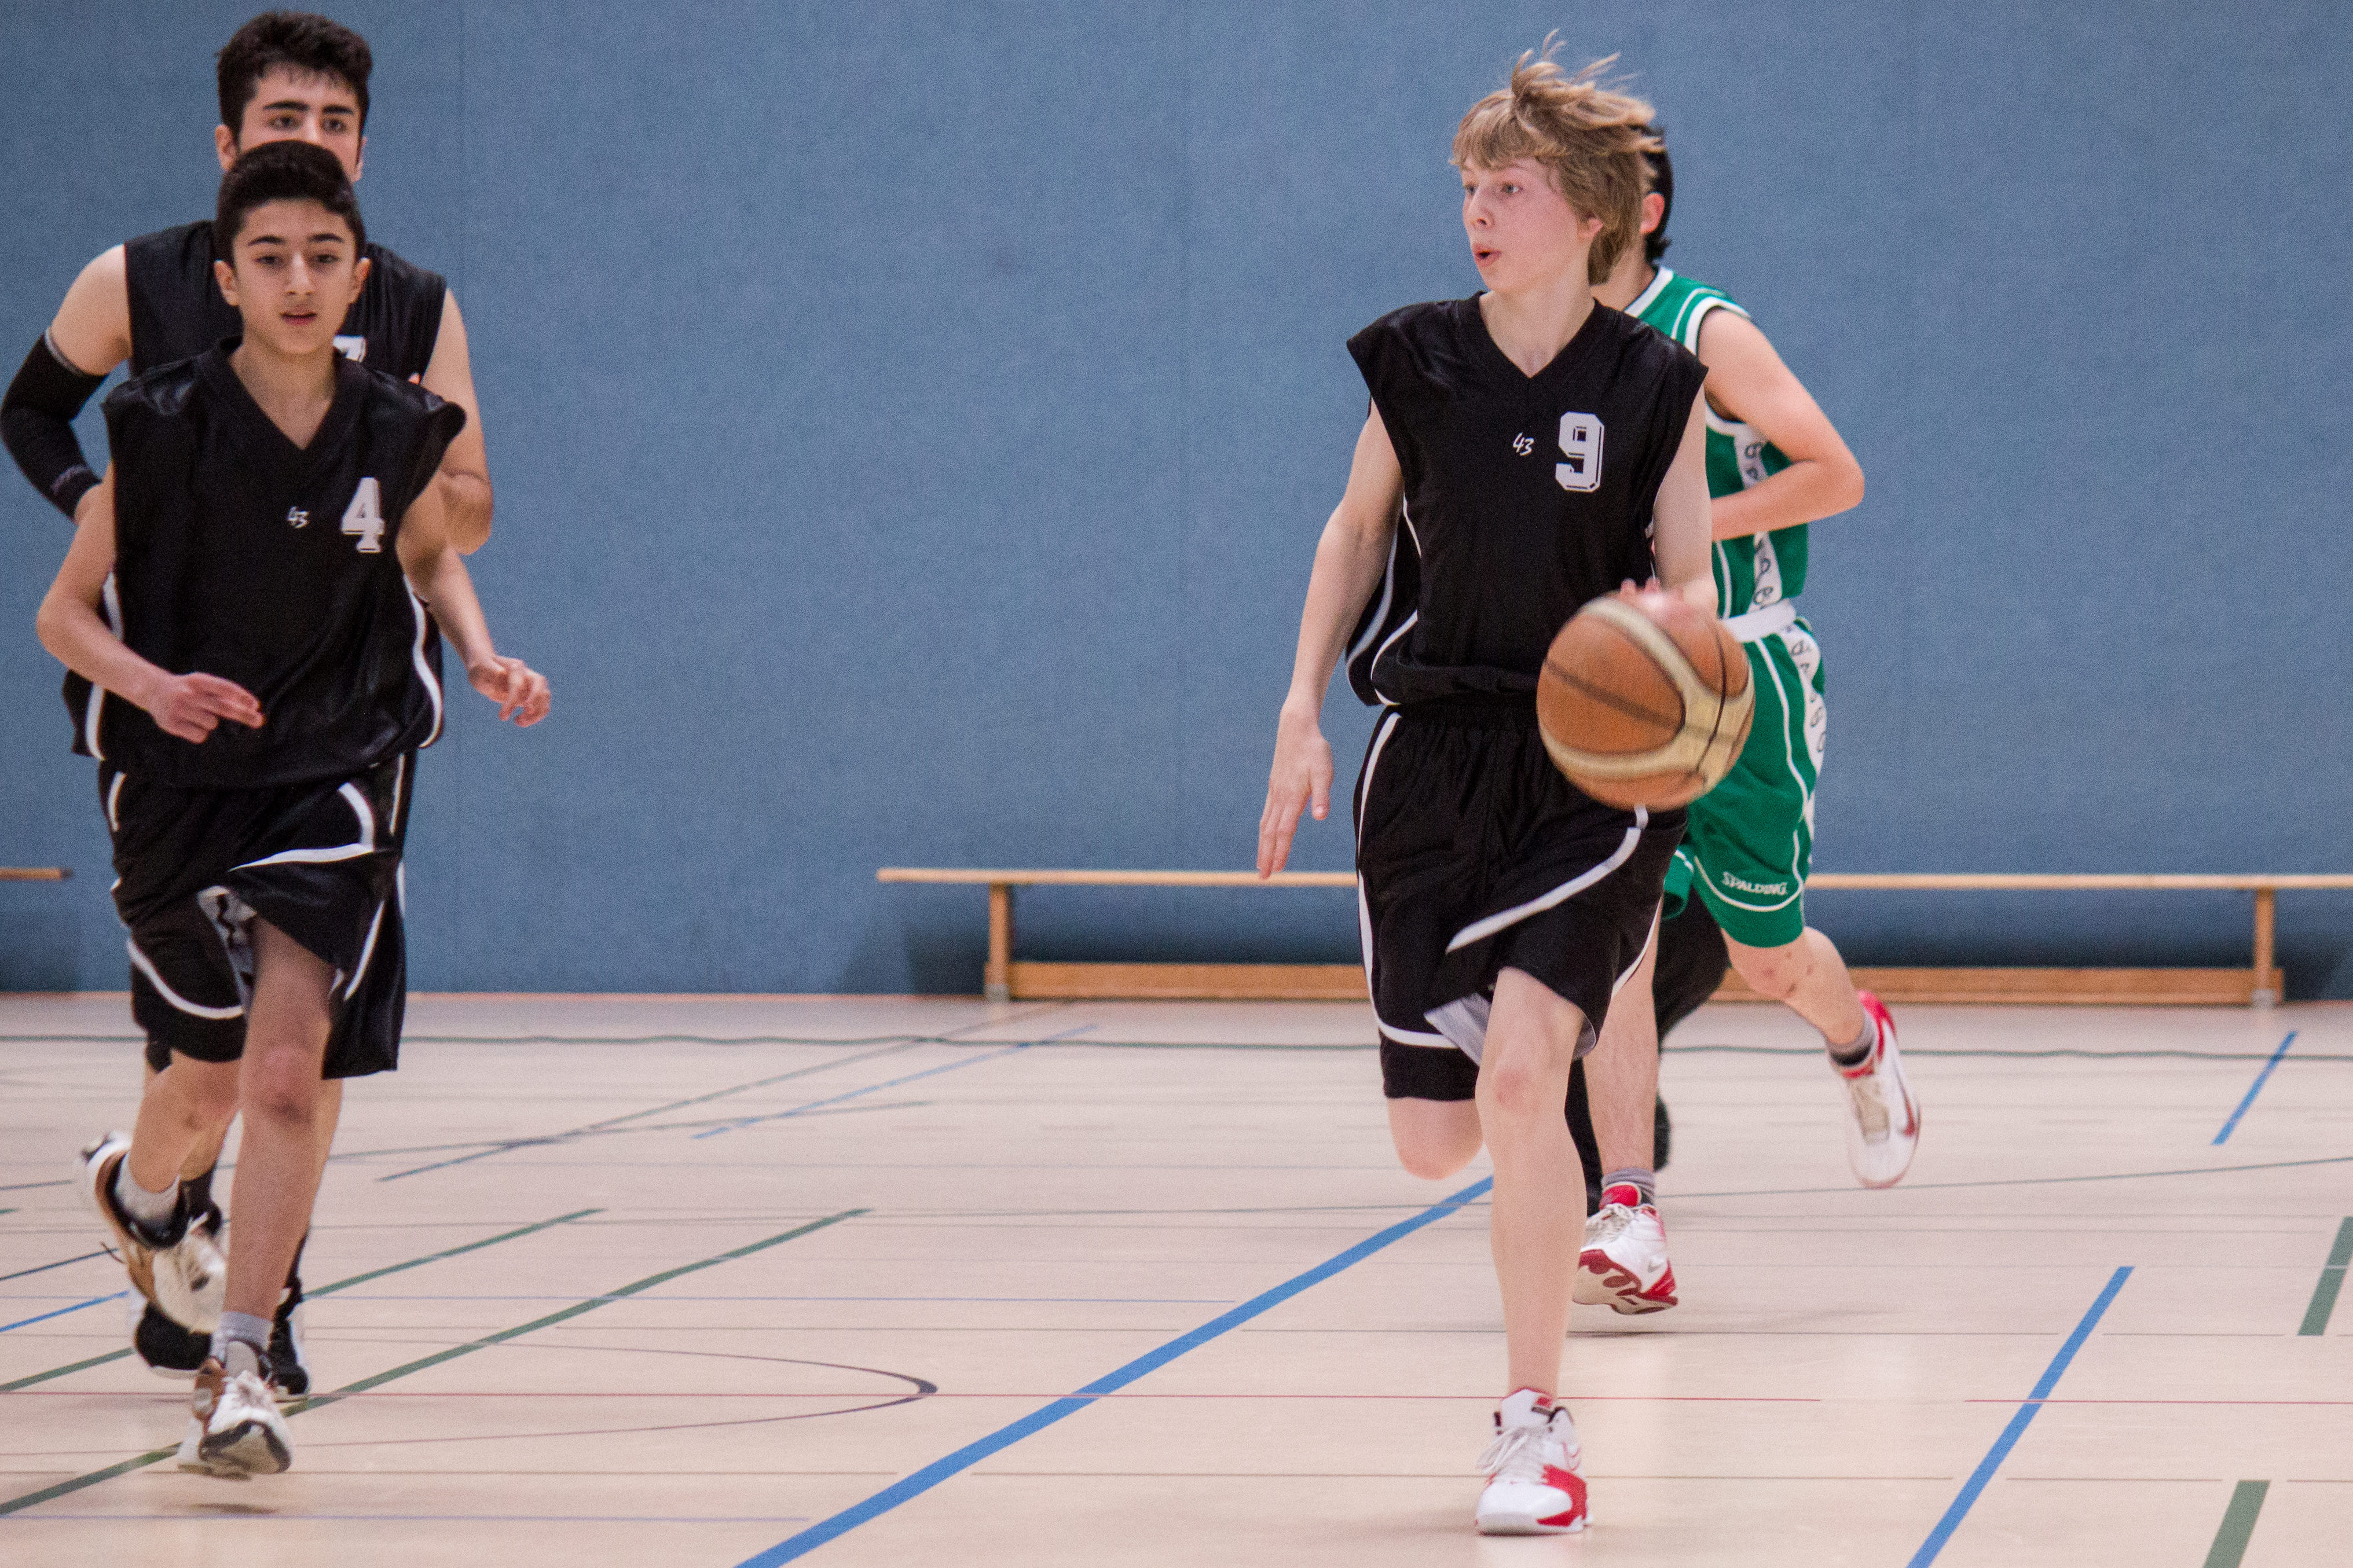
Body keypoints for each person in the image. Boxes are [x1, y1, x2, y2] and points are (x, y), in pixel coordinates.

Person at [0, 10, 495, 1389]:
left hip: (344, 709)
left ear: (364, 151)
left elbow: (466, 511)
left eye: (337, 125)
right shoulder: (140, 282)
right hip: (178, 711)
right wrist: (101, 508)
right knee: (196, 1053)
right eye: (287, 122)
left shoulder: (405, 304)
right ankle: (158, 1209)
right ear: (228, 144)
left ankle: (260, 1315)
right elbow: (28, 410)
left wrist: (404, 462)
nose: (313, 142)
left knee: (303, 1046)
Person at [1258, 47, 1714, 1536]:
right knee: (1435, 1141)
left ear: (1588, 214)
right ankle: (1526, 1050)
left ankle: (1534, 1422)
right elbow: (1352, 533)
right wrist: (1299, 709)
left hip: (1593, 768)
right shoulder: (1417, 360)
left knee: (1526, 1079)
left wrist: (1675, 668)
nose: (1477, 212)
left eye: (1507, 189)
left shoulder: (1655, 386)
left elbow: (1693, 591)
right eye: (1467, 187)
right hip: (1432, 762)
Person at [1572, 130, 1920, 1311]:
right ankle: (1629, 1209)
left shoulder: (1707, 329)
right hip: (1625, 679)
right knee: (1615, 942)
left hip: (1745, 671)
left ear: (1639, 208)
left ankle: (1859, 1042)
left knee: (1770, 956)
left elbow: (1837, 472)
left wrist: (1689, 520)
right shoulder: (1553, 342)